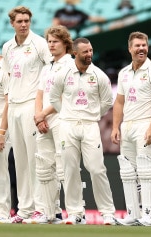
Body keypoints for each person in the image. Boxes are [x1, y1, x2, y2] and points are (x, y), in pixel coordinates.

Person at [49, 37, 116, 225]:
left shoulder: (99, 75)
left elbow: (107, 102)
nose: (89, 54)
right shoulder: (63, 73)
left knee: (96, 169)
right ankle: (75, 212)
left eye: (91, 50)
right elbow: (54, 97)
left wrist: (93, 114)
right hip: (67, 124)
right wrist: (65, 113)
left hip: (89, 125)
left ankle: (107, 213)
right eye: (85, 51)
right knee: (70, 169)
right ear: (75, 53)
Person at [0, 6, 52, 223]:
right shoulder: (8, 46)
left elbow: (51, 72)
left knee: (34, 159)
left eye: (26, 21)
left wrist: (41, 111)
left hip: (32, 104)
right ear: (12, 23)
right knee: (19, 161)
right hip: (14, 106)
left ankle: (41, 208)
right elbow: (10, 77)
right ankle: (25, 210)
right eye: (19, 21)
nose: (23, 24)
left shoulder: (40, 43)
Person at [111, 31, 151, 226]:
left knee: (147, 170)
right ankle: (133, 214)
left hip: (145, 124)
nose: (141, 48)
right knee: (128, 171)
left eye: (144, 45)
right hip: (128, 126)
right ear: (130, 48)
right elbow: (119, 102)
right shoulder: (124, 72)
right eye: (137, 45)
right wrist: (115, 127)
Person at [22, 25, 74, 224]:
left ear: (65, 43)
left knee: (63, 167)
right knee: (44, 167)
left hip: (61, 118)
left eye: (55, 41)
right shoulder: (47, 67)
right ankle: (51, 212)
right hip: (44, 120)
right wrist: (39, 116)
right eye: (49, 41)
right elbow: (40, 94)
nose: (51, 45)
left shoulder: (70, 65)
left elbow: (62, 96)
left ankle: (74, 211)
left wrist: (42, 114)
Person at [0, 42, 11, 223]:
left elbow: (10, 102)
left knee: (0, 169)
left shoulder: (4, 68)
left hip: (1, 121)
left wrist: (1, 131)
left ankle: (2, 211)